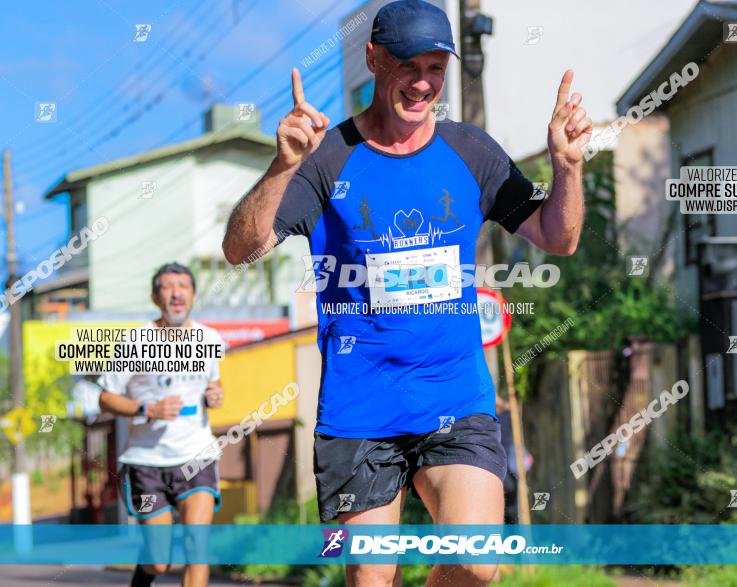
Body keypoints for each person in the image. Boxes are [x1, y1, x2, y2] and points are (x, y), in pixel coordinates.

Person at [223, 1, 589, 584]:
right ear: (372, 58)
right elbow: (241, 248)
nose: (423, 83)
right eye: (407, 65)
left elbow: (557, 237)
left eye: (436, 68)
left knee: (476, 563)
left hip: (455, 396)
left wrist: (567, 167)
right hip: (358, 412)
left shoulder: (471, 151)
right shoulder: (327, 159)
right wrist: (281, 167)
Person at [97, 262, 225, 587]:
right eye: (167, 287)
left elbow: (213, 387)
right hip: (146, 463)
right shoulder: (135, 341)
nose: (176, 292)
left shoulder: (211, 340)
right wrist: (147, 408)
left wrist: (216, 395)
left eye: (183, 285)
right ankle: (146, 571)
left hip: (197, 454)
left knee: (197, 546)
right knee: (159, 562)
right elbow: (105, 398)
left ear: (193, 295)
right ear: (156, 297)